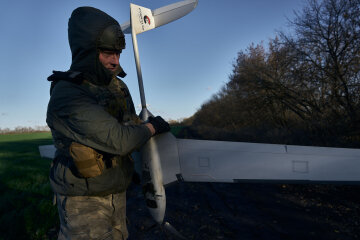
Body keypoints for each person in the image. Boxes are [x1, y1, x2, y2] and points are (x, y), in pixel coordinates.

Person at [46, 6, 170, 240]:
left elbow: (131, 124)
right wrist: (152, 128)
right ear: (87, 51)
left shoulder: (117, 87)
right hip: (84, 201)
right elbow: (120, 140)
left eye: (118, 53)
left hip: (117, 192)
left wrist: (143, 128)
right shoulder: (68, 94)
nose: (115, 61)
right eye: (107, 53)